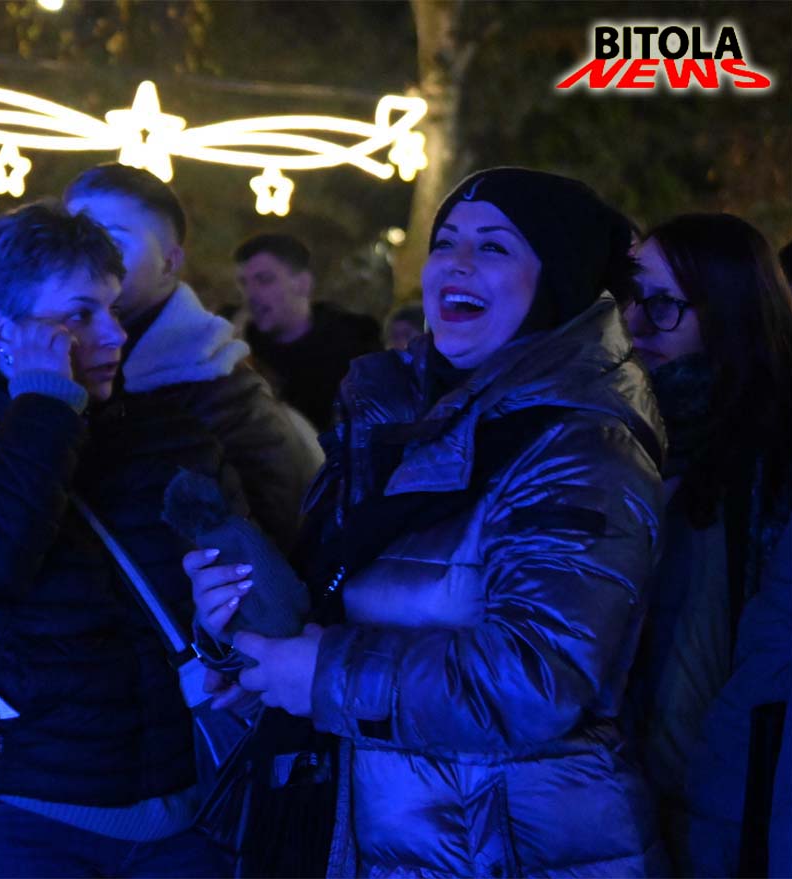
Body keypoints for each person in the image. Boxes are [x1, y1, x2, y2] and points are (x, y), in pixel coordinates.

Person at [186, 168, 668, 876]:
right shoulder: (391, 424)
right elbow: (336, 603)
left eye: (494, 246)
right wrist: (240, 627)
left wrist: (320, 674)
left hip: (505, 850)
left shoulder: (583, 448)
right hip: (375, 832)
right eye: (446, 242)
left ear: (557, 279)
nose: (457, 263)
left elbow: (538, 678)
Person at [0, 202, 238, 878]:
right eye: (79, 315)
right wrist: (45, 404)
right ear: (4, 332)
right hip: (11, 822)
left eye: (114, 309)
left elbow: (239, 589)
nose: (114, 334)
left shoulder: (173, 440)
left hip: (181, 819)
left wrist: (225, 626)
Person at [623, 213, 792, 877]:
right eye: (629, 296)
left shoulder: (769, 462)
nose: (636, 323)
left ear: (729, 312)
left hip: (719, 814)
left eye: (663, 304)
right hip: (628, 803)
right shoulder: (616, 443)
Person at [64, 164, 321, 553]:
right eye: (75, 241)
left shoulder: (226, 397)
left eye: (112, 243)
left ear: (169, 263)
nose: (87, 261)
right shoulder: (55, 363)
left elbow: (267, 546)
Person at [235, 233, 382, 430]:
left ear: (303, 283)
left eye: (265, 280)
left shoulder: (356, 352)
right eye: (244, 283)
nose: (250, 294)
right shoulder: (240, 350)